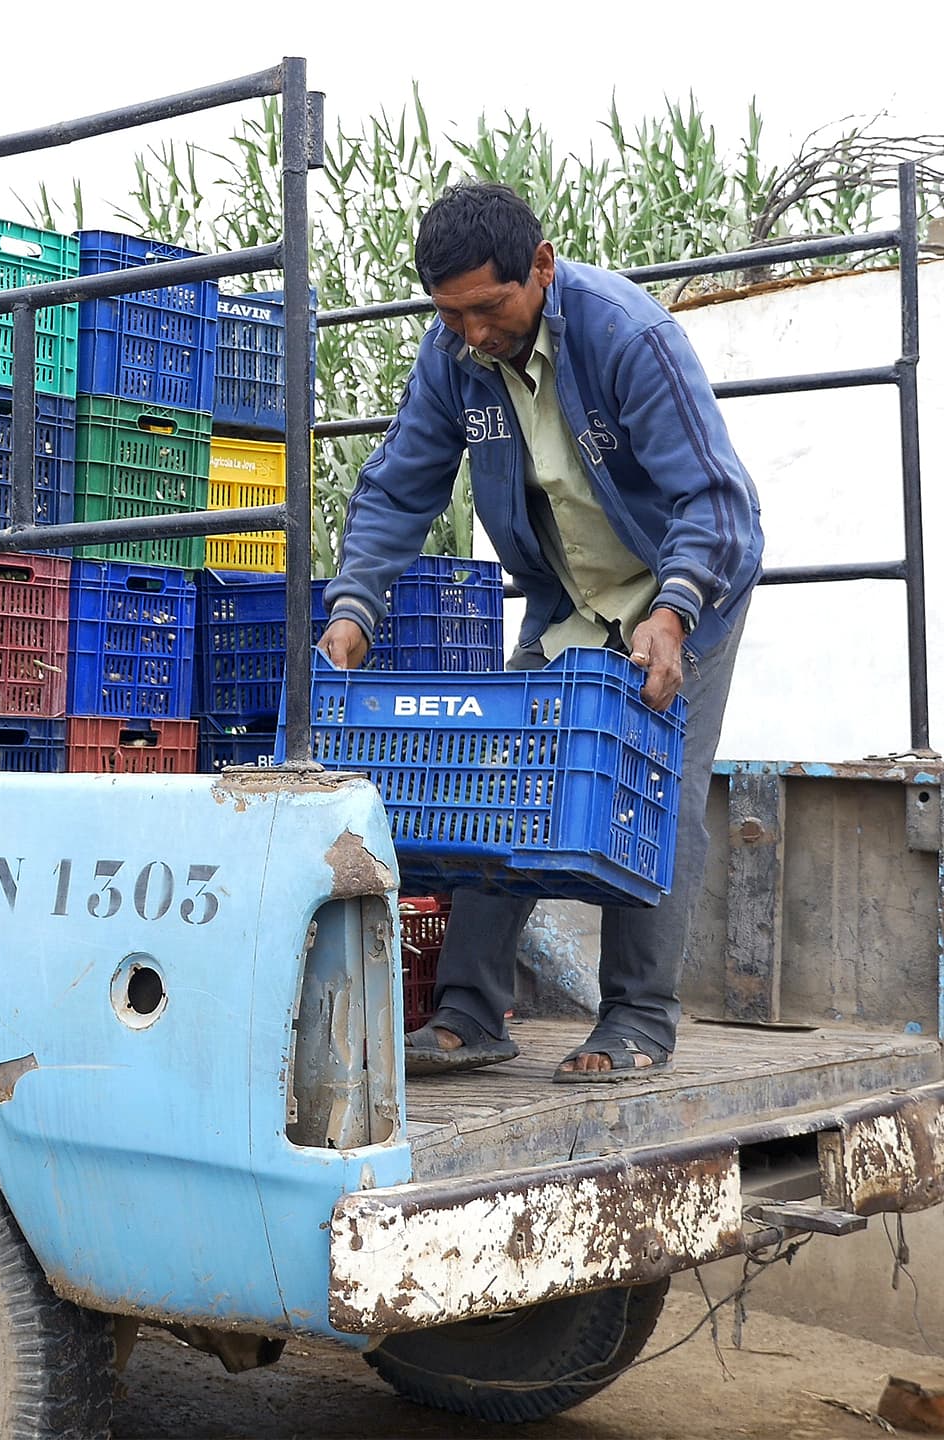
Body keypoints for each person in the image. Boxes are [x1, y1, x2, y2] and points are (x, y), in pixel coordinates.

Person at [319, 182, 763, 1083]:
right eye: (452, 315)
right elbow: (400, 487)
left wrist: (672, 615)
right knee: (499, 775)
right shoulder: (452, 356)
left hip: (686, 588)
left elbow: (716, 503)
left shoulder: (625, 336)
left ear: (543, 268)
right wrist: (352, 608)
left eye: (490, 307)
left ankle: (638, 1019)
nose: (473, 332)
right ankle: (471, 1014)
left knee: (654, 786)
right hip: (570, 599)